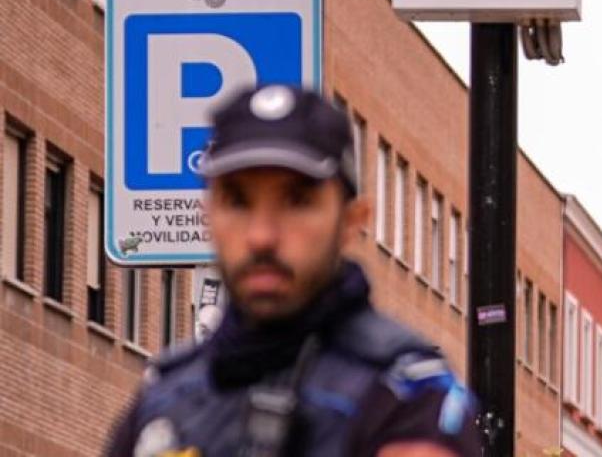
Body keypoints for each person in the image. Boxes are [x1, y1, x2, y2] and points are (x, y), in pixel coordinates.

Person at [104, 85, 481, 457]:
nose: (261, 236)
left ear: (353, 220)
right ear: (207, 216)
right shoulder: (164, 398)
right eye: (237, 201)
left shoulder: (407, 398)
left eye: (297, 201)